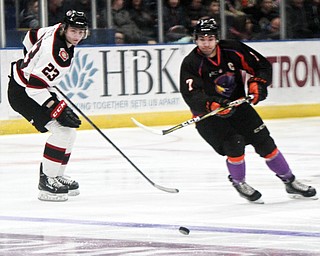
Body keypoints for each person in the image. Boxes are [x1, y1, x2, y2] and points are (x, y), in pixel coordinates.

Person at [179, 17, 317, 203]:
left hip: (238, 105)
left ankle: (290, 181)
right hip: (209, 116)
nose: (206, 43)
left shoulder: (232, 49)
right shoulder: (191, 63)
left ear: (217, 39)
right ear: (195, 40)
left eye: (210, 39)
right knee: (234, 145)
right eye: (202, 39)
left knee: (265, 143)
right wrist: (211, 104)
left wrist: (258, 84)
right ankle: (238, 181)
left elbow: (261, 66)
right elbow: (191, 94)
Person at [7, 10, 88, 202]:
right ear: (66, 28)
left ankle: (56, 175)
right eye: (73, 31)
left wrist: (31, 62)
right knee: (62, 132)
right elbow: (34, 88)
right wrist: (56, 107)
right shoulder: (56, 56)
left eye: (81, 32)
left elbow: (31, 36)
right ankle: (46, 182)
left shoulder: (56, 28)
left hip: (30, 86)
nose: (77, 36)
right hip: (23, 93)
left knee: (69, 131)